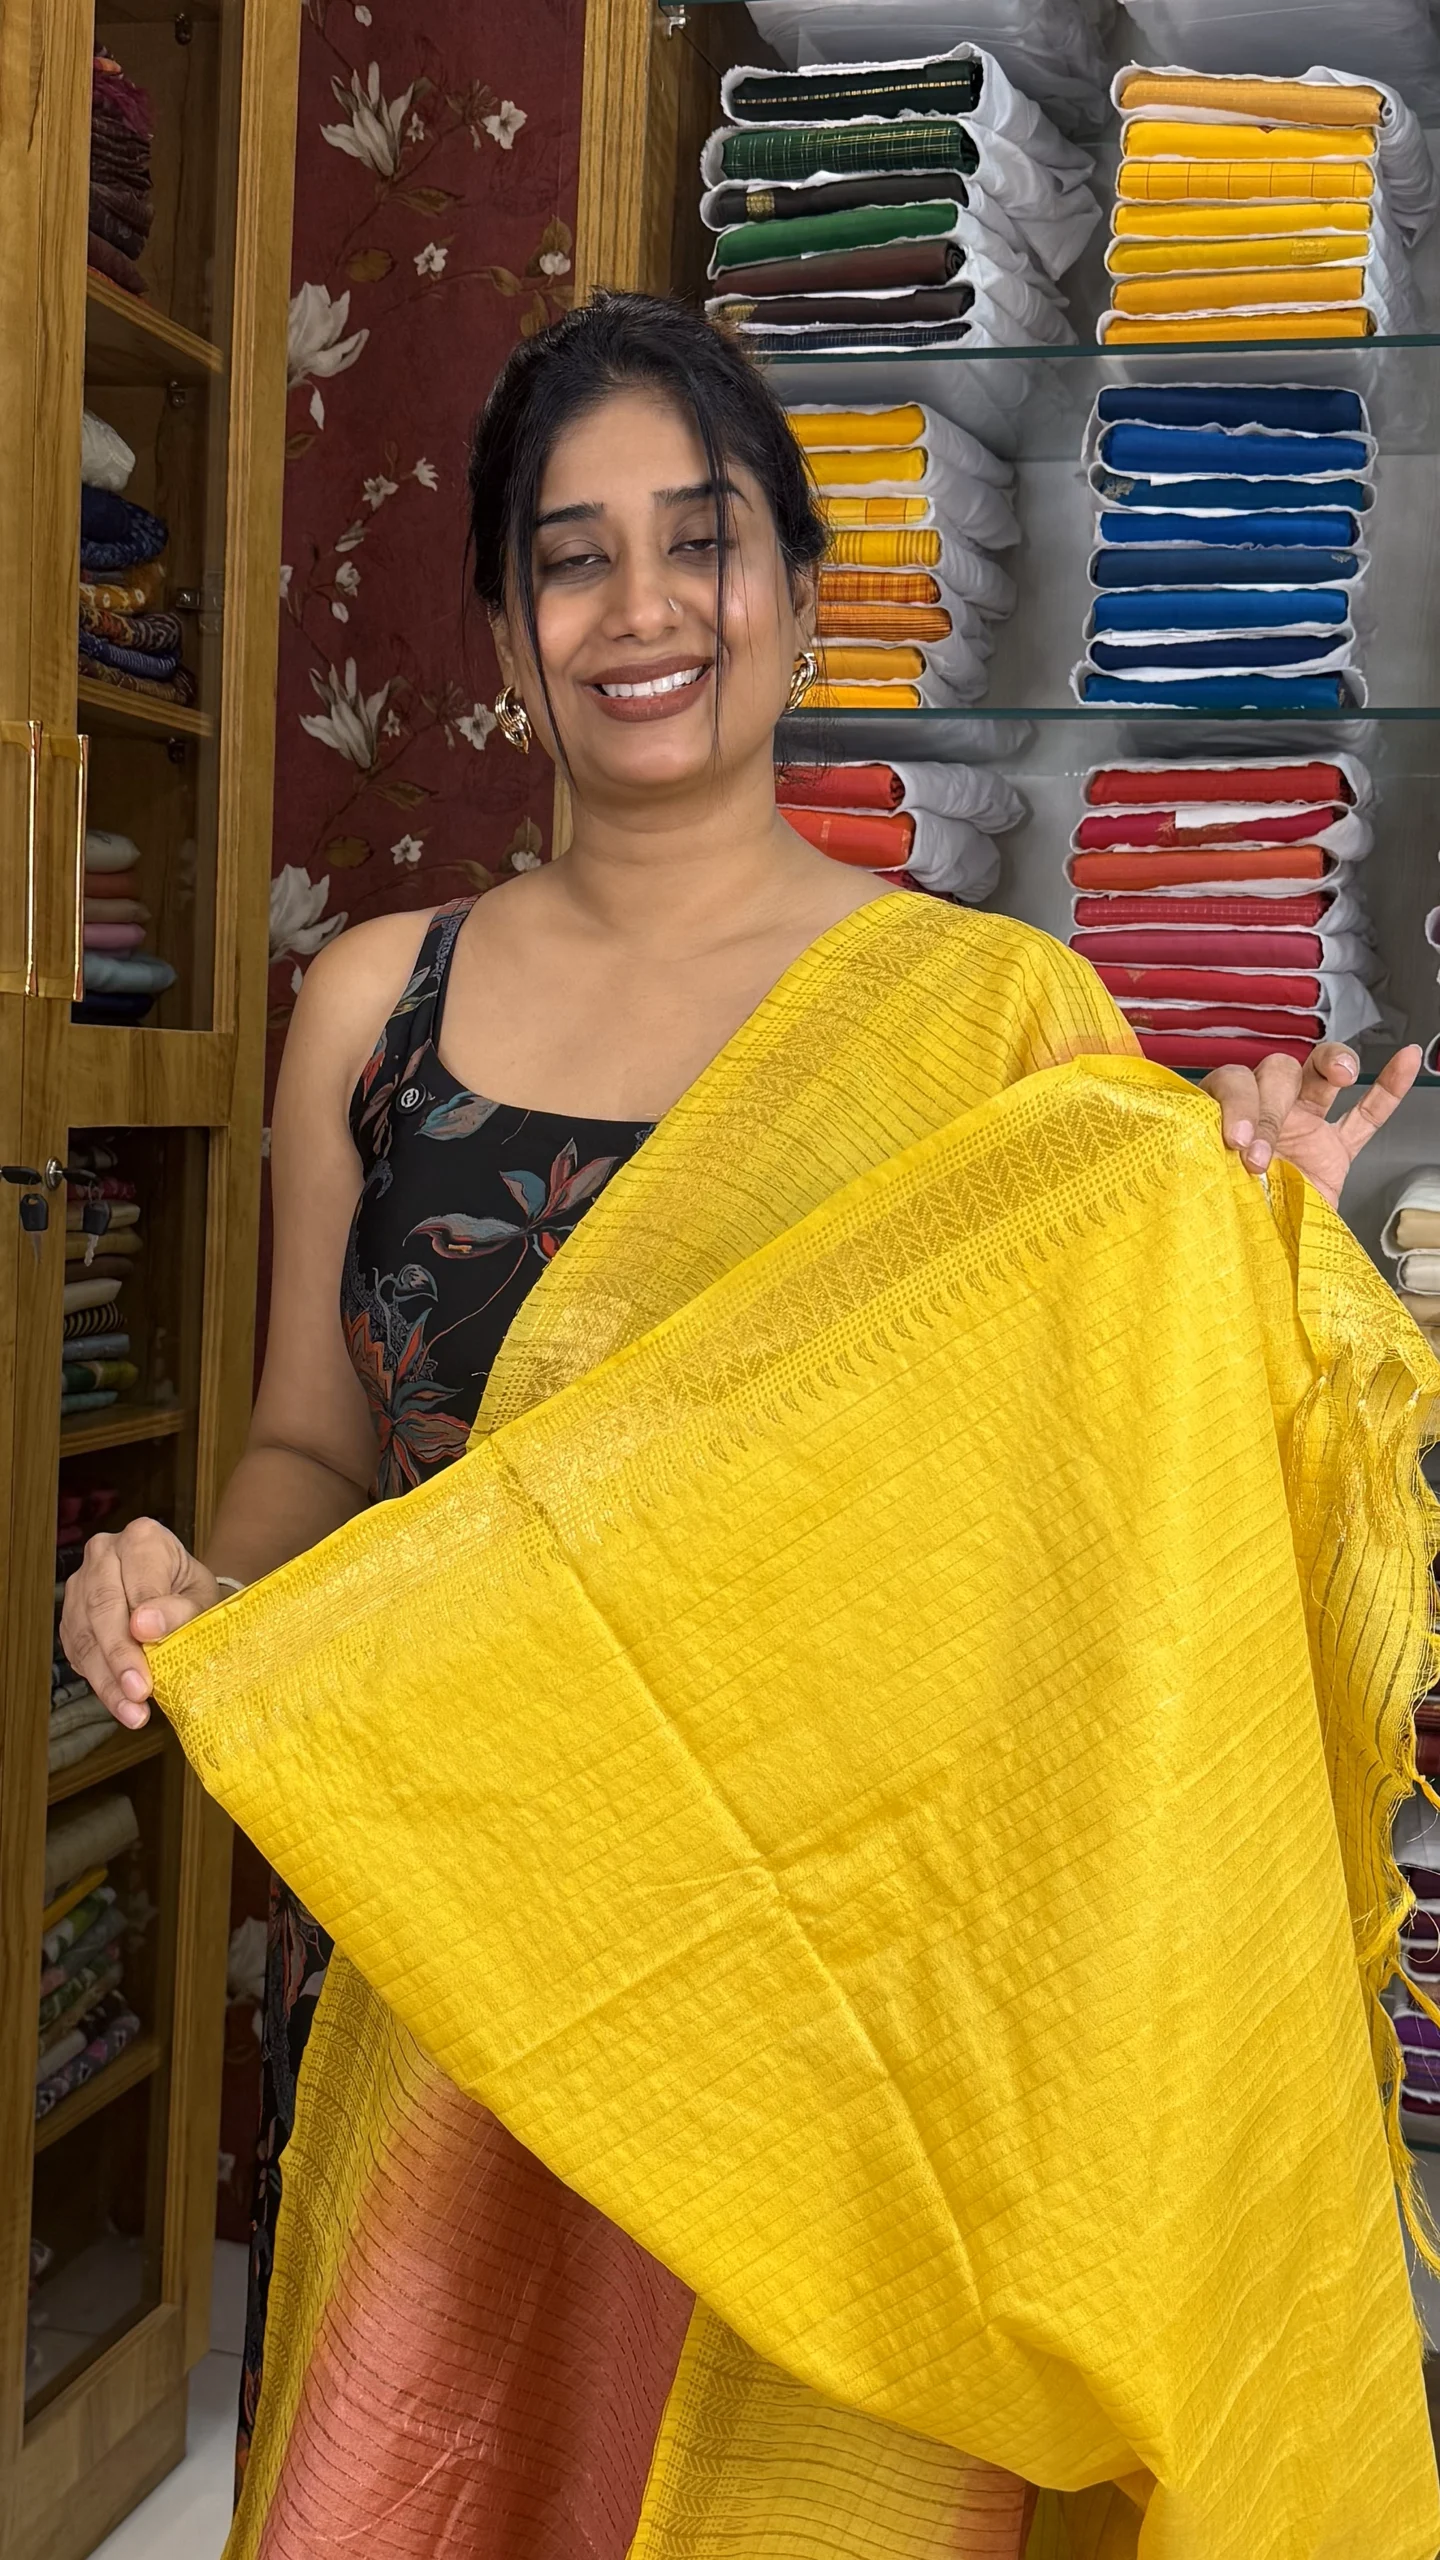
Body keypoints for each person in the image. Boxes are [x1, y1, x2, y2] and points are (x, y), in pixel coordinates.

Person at [60, 295, 1436, 2560]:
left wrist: (1245, 1254)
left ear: (799, 592)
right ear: (504, 634)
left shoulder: (990, 1025)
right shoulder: (376, 1001)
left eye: (699, 542)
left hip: (832, 2025)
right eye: (572, 557)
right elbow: (312, 1449)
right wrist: (198, 1587)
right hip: (465, 1955)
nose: (643, 609)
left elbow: (1099, 1565)